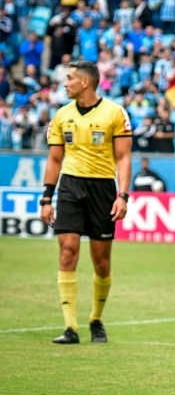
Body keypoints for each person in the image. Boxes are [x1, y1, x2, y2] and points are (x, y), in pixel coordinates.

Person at [40, 61, 132, 344]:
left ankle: (96, 319)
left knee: (101, 261)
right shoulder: (61, 115)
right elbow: (55, 159)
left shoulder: (115, 113)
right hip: (70, 186)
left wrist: (123, 196)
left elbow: (123, 158)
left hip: (102, 189)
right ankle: (71, 328)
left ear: (85, 82)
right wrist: (46, 197)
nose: (64, 83)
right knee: (67, 251)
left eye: (69, 78)